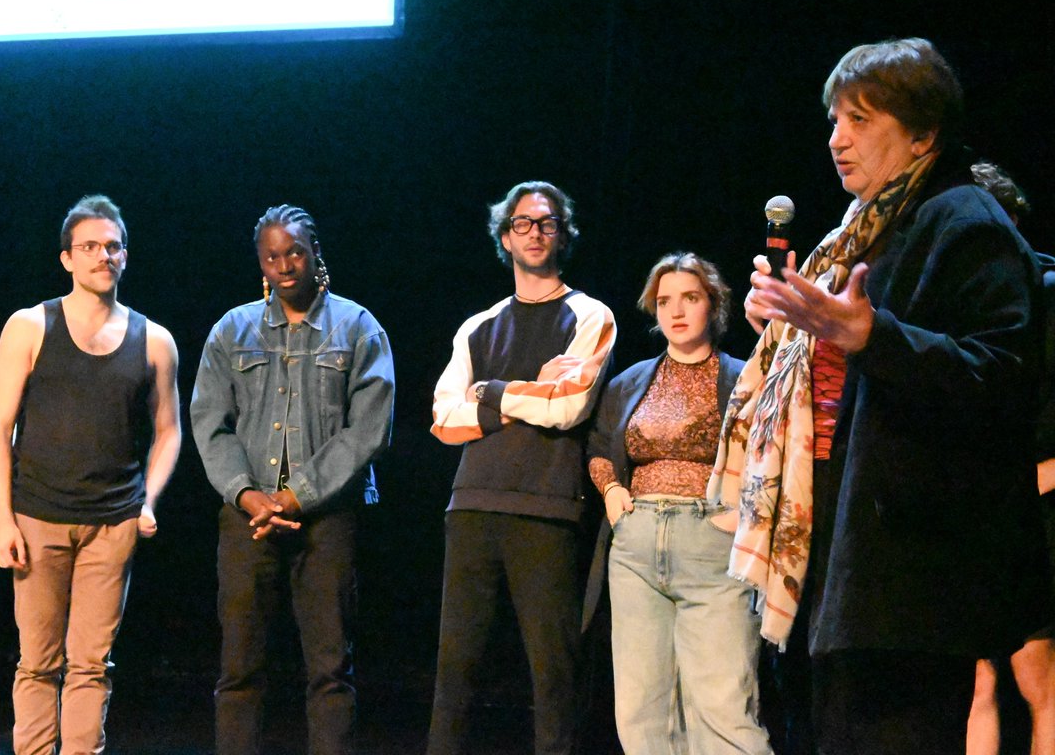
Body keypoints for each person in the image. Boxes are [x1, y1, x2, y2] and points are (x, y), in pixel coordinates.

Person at [711, 37, 1051, 753]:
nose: (837, 140)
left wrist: (873, 335)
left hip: (909, 581)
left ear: (924, 130)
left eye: (860, 119)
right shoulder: (856, 236)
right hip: (834, 561)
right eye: (834, 120)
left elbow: (999, 376)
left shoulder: (966, 221)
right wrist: (787, 335)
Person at [191, 204, 394, 755]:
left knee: (330, 667)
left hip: (327, 519)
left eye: (295, 252)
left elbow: (367, 430)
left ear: (314, 252)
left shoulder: (356, 327)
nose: (284, 265)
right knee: (239, 666)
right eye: (272, 255)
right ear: (261, 262)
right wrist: (249, 494)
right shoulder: (231, 331)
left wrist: (295, 496)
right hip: (246, 518)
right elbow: (210, 424)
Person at [0, 195, 181, 755]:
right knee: (38, 663)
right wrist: (4, 523)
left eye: (112, 246)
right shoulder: (30, 326)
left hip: (112, 524)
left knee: (92, 665)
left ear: (125, 256)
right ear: (67, 258)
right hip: (37, 517)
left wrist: (149, 500)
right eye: (90, 246)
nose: (103, 255)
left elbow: (169, 430)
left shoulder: (155, 340)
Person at [428, 180, 616, 755]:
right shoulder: (477, 325)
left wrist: (494, 391)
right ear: (505, 236)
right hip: (473, 504)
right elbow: (443, 419)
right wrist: (529, 394)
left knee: (552, 670)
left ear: (564, 234)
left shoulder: (591, 315)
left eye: (548, 222)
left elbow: (567, 408)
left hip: (546, 508)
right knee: (455, 669)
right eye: (524, 223)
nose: (535, 233)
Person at [586, 253, 770, 754]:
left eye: (690, 297)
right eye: (664, 301)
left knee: (723, 710)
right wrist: (612, 492)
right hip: (638, 544)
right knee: (642, 713)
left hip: (711, 544)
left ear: (713, 305)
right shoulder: (629, 381)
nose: (676, 311)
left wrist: (738, 513)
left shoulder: (743, 378)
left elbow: (769, 453)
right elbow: (601, 448)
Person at [965, 163, 1055, 755]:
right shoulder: (961, 295)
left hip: (1039, 499)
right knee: (976, 680)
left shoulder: (1047, 288)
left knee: (1036, 676)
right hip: (970, 503)